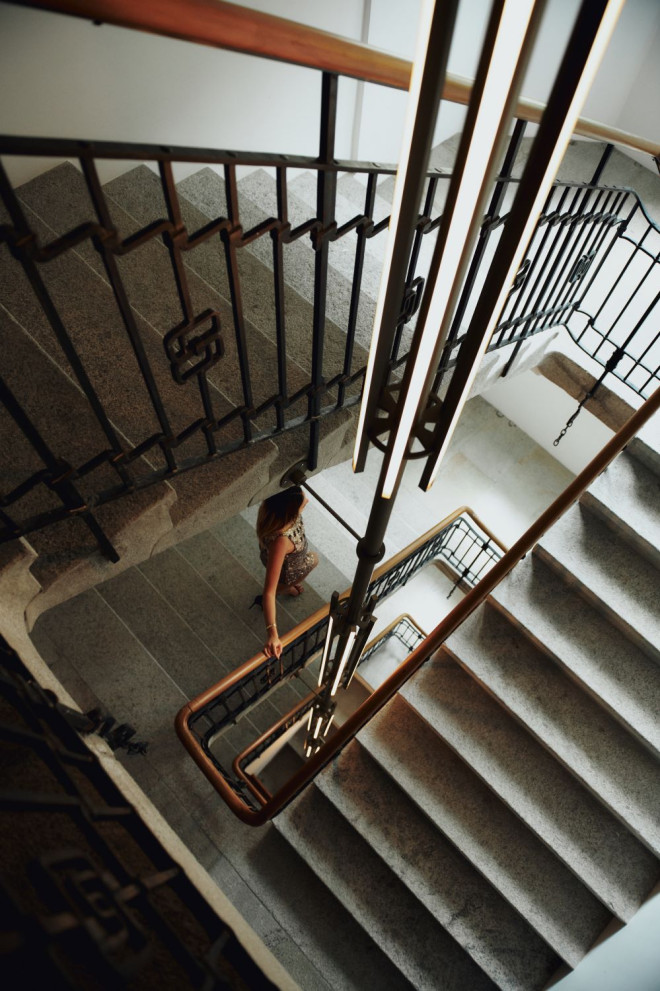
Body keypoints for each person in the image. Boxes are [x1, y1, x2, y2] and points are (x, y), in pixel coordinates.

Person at [257, 486, 318, 660]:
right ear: (289, 514)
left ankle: (286, 587)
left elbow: (302, 497)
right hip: (288, 569)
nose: (306, 502)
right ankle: (285, 588)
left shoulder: (271, 511)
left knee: (311, 559)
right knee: (314, 559)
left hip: (277, 560)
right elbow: (268, 591)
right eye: (301, 503)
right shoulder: (281, 541)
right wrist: (273, 634)